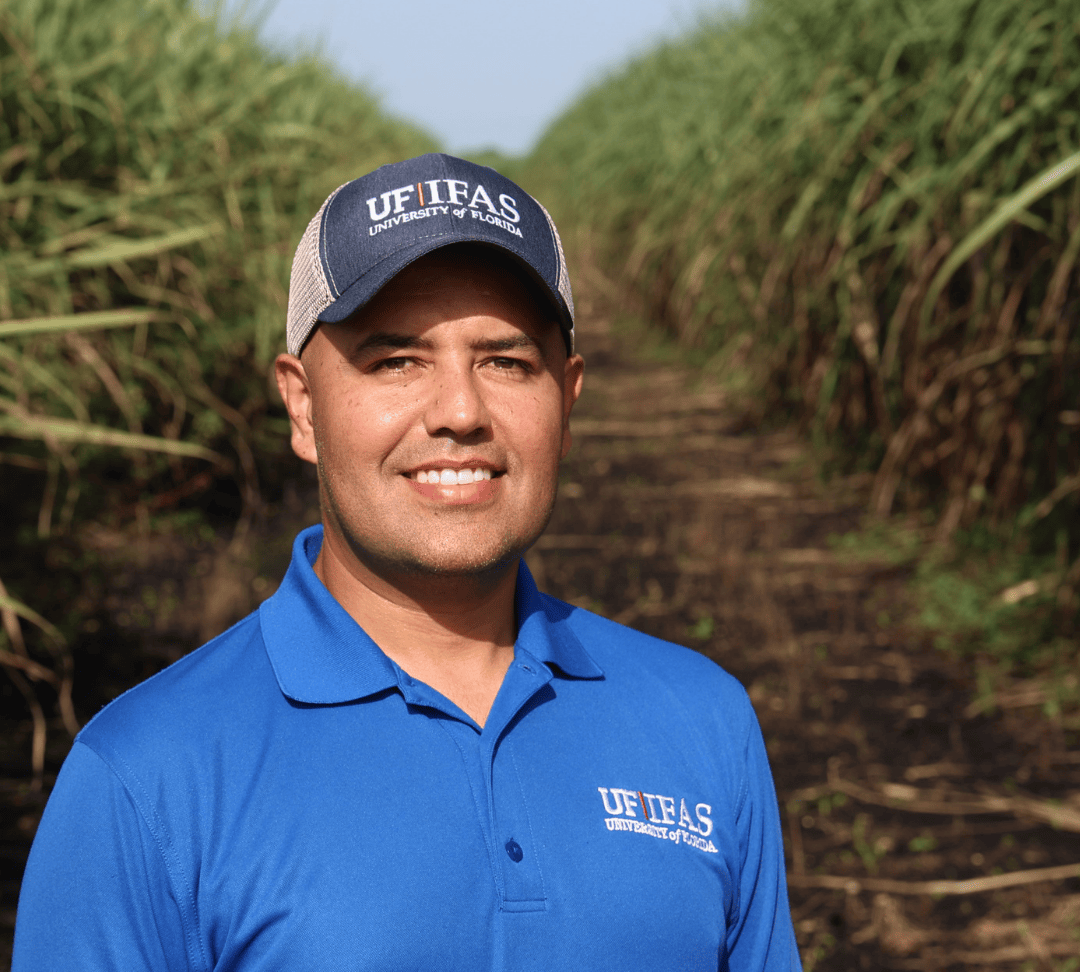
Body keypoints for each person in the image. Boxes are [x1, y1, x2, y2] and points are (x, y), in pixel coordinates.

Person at [13, 153, 802, 970]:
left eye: (506, 361)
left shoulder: (702, 722)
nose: (460, 411)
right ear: (302, 404)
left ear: (566, 402)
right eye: (395, 361)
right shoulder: (147, 778)